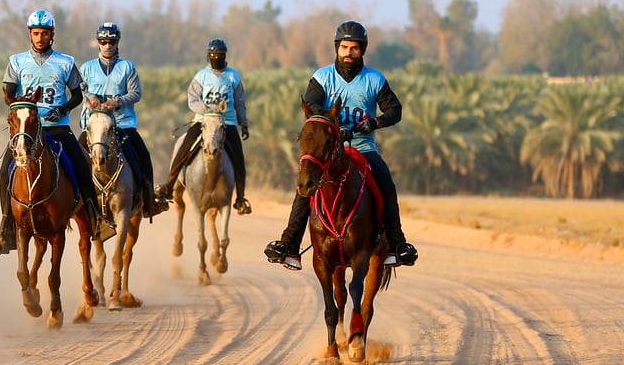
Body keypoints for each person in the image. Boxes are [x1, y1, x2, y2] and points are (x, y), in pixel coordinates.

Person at [263, 20, 418, 270]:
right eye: (344, 47)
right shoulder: (322, 77)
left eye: (354, 48)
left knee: (386, 183)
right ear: (337, 48)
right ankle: (289, 245)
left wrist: (374, 123)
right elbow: (312, 105)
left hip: (363, 146)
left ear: (362, 50)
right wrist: (331, 126)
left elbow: (395, 110)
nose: (349, 52)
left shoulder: (375, 79)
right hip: (329, 149)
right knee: (306, 186)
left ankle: (397, 245)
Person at [0, 9, 114, 255]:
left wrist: (63, 107)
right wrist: (23, 106)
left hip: (58, 128)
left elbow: (77, 94)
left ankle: (96, 220)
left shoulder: (65, 62)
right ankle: (6, 227)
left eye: (44, 33)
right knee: (3, 172)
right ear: (30, 35)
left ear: (52, 34)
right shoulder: (16, 62)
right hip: (28, 130)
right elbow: (9, 94)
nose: (40, 38)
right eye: (36, 33)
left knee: (82, 165)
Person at [78, 22, 168, 218]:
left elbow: (136, 93)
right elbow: (81, 89)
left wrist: (116, 102)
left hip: (122, 124)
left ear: (117, 42)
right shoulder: (87, 68)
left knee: (142, 155)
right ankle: (72, 199)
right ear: (98, 42)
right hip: (93, 126)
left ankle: (149, 199)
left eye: (111, 41)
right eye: (103, 41)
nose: (107, 45)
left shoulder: (127, 67)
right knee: (75, 156)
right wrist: (90, 96)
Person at [155, 37, 251, 214]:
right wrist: (203, 109)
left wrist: (243, 123)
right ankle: (169, 184)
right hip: (202, 120)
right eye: (213, 54)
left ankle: (240, 198)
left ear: (224, 56)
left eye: (219, 55)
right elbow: (192, 99)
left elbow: (239, 101)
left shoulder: (233, 76)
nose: (216, 57)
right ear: (208, 56)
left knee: (238, 157)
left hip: (226, 122)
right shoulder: (201, 76)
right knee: (184, 148)